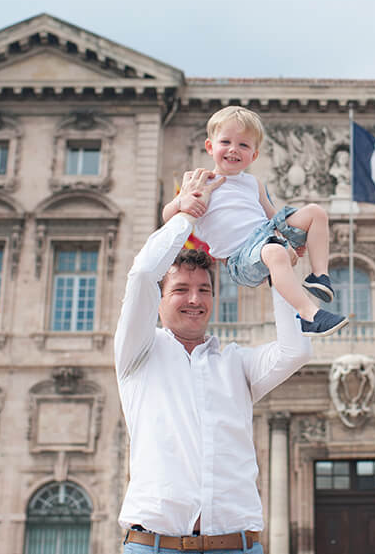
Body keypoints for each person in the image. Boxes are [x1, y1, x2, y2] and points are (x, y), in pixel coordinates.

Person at [115, 168, 312, 553]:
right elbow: (142, 274)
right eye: (181, 289)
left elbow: (296, 351)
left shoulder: (234, 363)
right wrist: (188, 213)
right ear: (159, 300)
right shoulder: (137, 352)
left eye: (204, 289)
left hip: (235, 547)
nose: (194, 299)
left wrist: (279, 266)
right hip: (155, 546)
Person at [161, 105, 347, 337]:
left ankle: (319, 276)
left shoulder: (253, 183)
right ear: (210, 147)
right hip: (240, 256)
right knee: (275, 253)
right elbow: (167, 216)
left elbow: (271, 215)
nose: (233, 150)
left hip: (266, 235)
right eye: (225, 142)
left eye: (243, 145)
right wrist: (183, 203)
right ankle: (308, 314)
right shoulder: (201, 182)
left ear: (254, 155)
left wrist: (290, 236)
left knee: (316, 212)